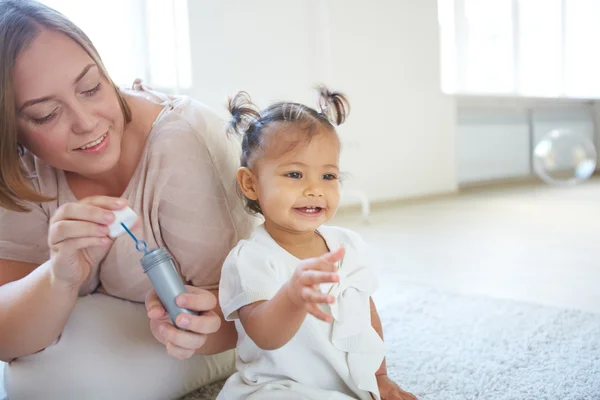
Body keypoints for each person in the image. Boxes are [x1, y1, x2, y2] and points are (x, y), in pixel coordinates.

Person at [0, 1, 255, 399]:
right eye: (47, 114)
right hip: (107, 311)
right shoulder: (18, 166)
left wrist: (197, 331)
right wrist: (58, 278)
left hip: (216, 329)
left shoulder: (183, 145)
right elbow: (7, 339)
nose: (86, 122)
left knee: (47, 385)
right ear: (12, 132)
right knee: (26, 381)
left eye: (91, 87)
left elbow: (241, 315)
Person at [216, 88, 418, 400]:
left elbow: (366, 314)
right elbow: (265, 335)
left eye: (328, 176)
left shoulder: (347, 245)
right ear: (251, 184)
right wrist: (292, 297)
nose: (314, 189)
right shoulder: (250, 258)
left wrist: (379, 376)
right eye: (295, 174)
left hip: (345, 383)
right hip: (276, 387)